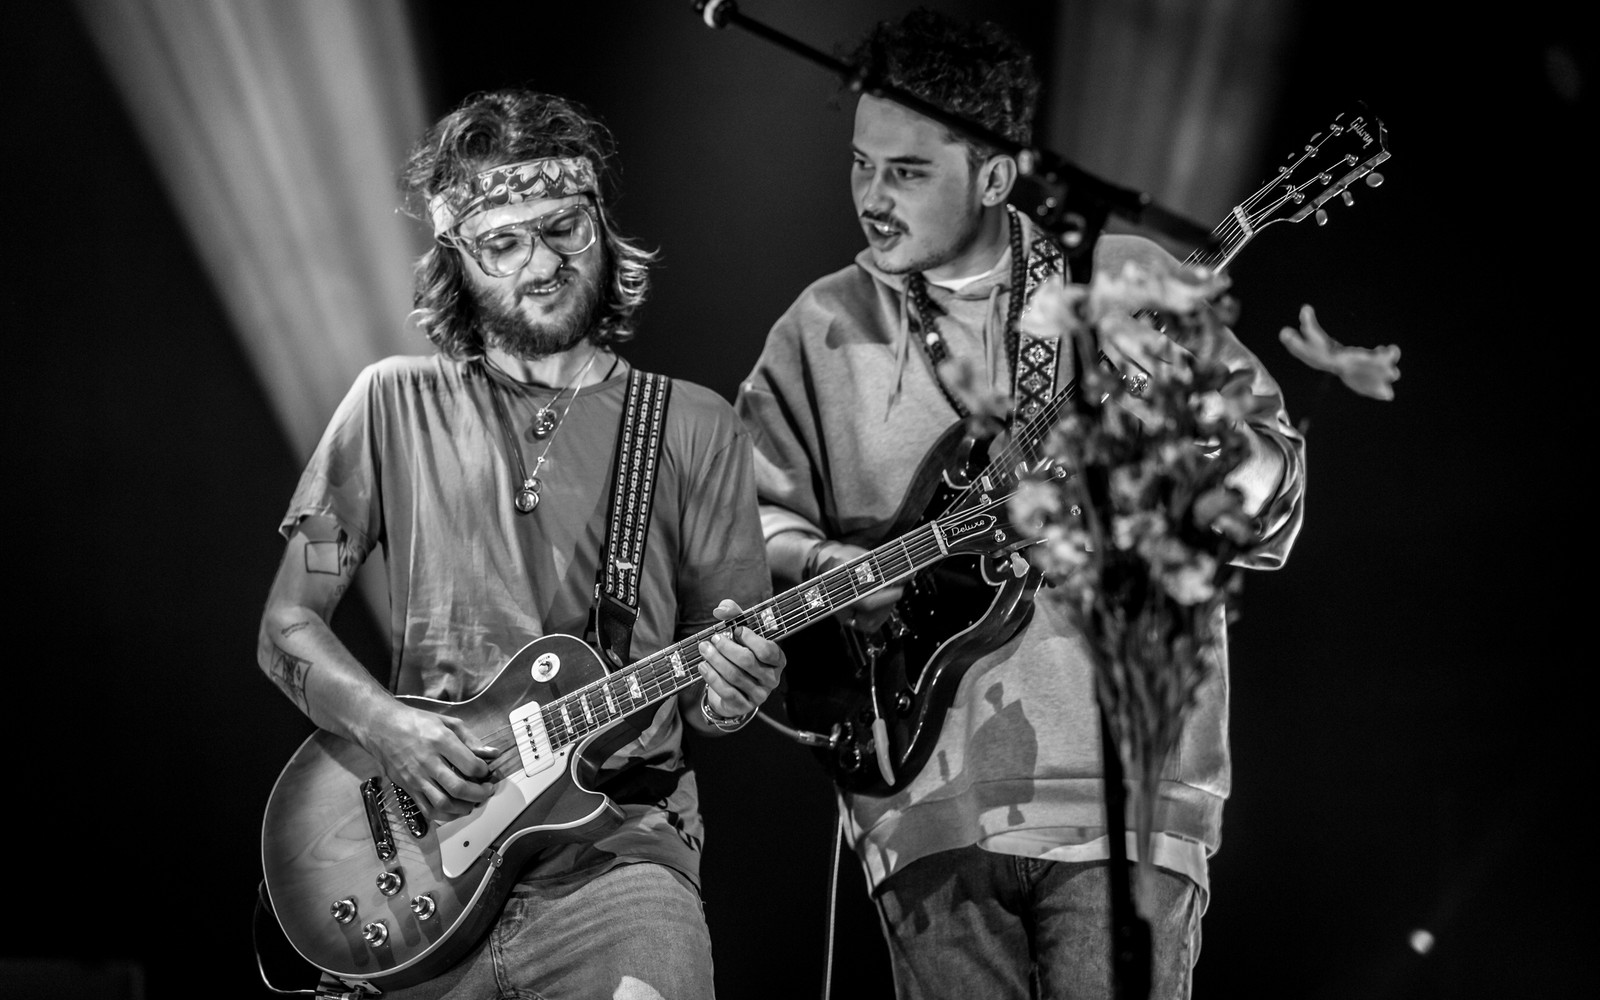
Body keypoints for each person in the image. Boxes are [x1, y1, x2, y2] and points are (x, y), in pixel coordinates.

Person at [735, 9, 1306, 999]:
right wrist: (826, 564)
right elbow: (741, 521)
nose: (871, 197)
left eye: (906, 171)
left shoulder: (1127, 281)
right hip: (921, 802)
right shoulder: (820, 325)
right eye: (861, 164)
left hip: (1126, 794)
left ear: (996, 177)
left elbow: (1272, 496)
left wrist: (1206, 438)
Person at [257, 88, 783, 1000]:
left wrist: (736, 694)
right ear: (457, 259)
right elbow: (287, 629)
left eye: (564, 229)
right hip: (424, 874)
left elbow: (714, 691)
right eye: (502, 243)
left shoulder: (696, 425)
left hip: (618, 862)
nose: (541, 264)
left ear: (600, 227)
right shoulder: (390, 403)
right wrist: (389, 726)